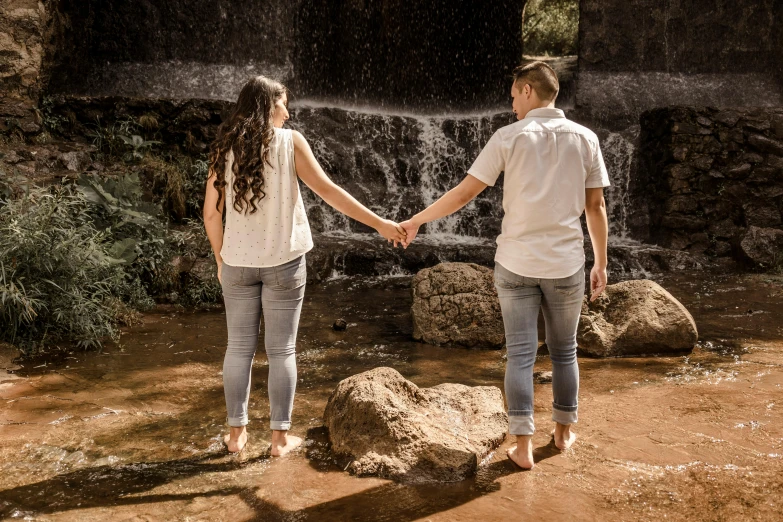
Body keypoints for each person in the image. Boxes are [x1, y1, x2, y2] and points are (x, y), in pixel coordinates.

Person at [400, 61, 610, 469]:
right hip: (566, 263)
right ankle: (564, 433)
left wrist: (417, 220)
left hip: (515, 263)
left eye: (514, 95)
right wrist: (600, 262)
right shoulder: (586, 139)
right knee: (565, 351)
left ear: (528, 91)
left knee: (520, 354)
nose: (512, 103)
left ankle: (523, 446)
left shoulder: (508, 138)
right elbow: (595, 205)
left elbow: (463, 194)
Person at [204, 76, 406, 456]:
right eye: (283, 103)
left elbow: (211, 217)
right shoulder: (290, 142)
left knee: (238, 349)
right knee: (281, 351)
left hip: (237, 264)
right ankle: (279, 440)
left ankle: (236, 436)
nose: (288, 111)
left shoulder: (223, 150)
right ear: (269, 106)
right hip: (284, 263)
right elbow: (329, 192)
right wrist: (379, 224)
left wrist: (220, 259)